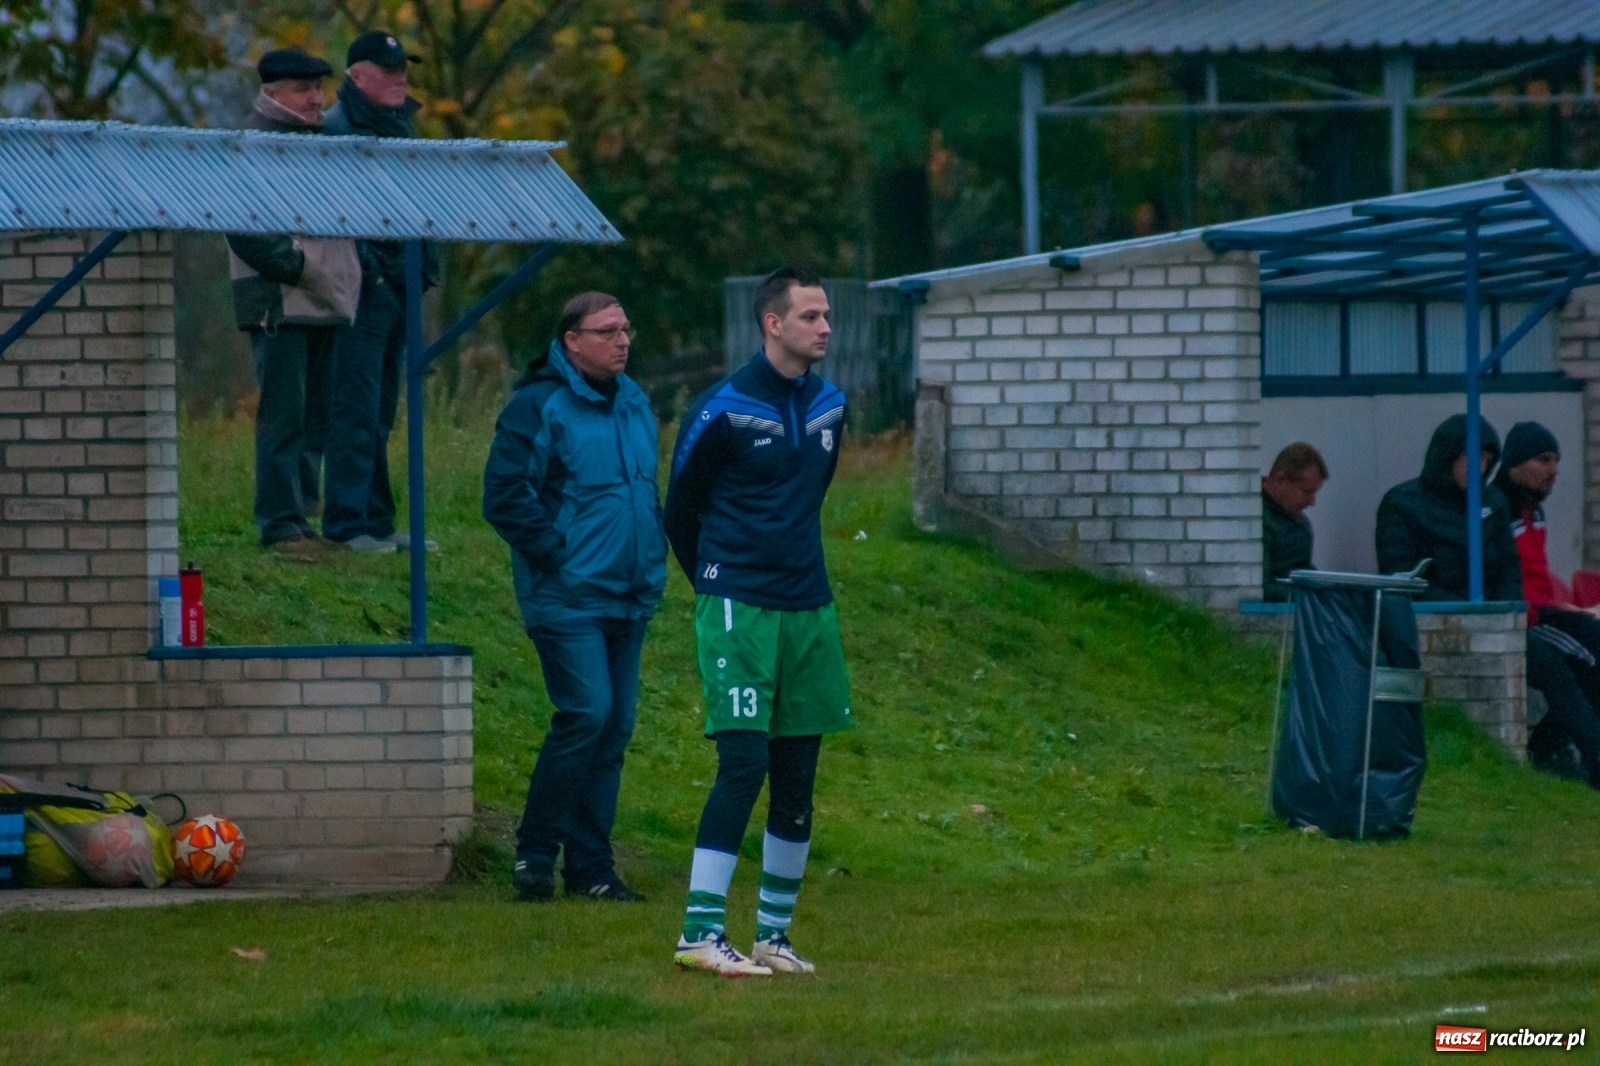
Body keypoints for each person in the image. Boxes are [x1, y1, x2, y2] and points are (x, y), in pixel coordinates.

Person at [663, 266, 850, 978]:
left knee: (797, 776)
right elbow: (680, 510)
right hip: (739, 606)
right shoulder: (723, 407)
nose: (824, 327)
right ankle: (699, 933)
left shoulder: (832, 404)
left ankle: (774, 934)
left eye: (826, 315)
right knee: (744, 764)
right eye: (810, 316)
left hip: (810, 607)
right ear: (772, 324)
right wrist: (718, 585)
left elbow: (808, 500)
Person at [482, 292, 666, 901]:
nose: (622, 340)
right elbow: (505, 494)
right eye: (608, 330)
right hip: (567, 596)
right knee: (586, 714)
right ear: (571, 340)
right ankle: (534, 857)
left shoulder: (636, 404)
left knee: (613, 728)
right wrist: (558, 556)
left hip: (630, 593)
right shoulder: (539, 405)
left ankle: (591, 869)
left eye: (626, 329)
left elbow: (645, 493)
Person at [226, 48, 360, 558]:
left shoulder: (318, 144)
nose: (316, 100)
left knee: (315, 416)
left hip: (323, 299)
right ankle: (280, 524)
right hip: (279, 301)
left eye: (320, 90)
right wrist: (304, 268)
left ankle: (303, 520)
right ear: (274, 92)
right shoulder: (251, 145)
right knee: (285, 415)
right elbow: (245, 233)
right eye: (305, 90)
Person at [321, 30, 439, 554]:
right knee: (355, 407)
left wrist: (422, 272)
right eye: (388, 70)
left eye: (403, 70)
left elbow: (423, 208)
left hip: (399, 287)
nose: (400, 79)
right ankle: (348, 523)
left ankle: (379, 520)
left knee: (383, 410)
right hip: (361, 289)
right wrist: (375, 272)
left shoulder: (401, 128)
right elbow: (336, 217)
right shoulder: (335, 130)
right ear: (356, 76)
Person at [1493, 421, 1600, 786]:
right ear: (1514, 464)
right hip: (1527, 615)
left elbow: (1538, 576)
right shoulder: (1499, 510)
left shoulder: (1533, 511)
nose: (1553, 470)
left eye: (1557, 460)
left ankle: (1549, 747)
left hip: (1545, 608)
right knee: (1583, 664)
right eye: (1543, 460)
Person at [1261, 442, 1327, 600]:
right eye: (1306, 491)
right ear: (1280, 480)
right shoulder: (1253, 520)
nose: (1312, 502)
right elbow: (1258, 588)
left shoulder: (1301, 526)